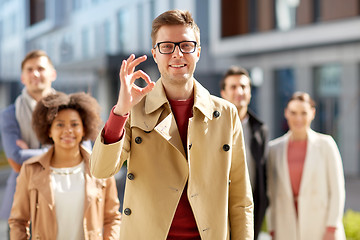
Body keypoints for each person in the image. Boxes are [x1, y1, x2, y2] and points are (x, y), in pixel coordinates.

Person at [90, 9, 253, 240]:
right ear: (155, 54)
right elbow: (100, 170)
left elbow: (240, 197)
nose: (177, 54)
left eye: (186, 45)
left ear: (198, 52)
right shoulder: (134, 109)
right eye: (167, 46)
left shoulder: (225, 113)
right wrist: (121, 110)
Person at [8, 92, 121, 239]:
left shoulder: (101, 168)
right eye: (60, 124)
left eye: (74, 124)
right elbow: (18, 221)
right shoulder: (30, 169)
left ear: (84, 129)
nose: (68, 130)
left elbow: (112, 218)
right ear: (49, 130)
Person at [267, 92, 346, 240]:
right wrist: (272, 228)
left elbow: (337, 190)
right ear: (286, 113)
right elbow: (271, 193)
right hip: (286, 227)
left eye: (304, 113)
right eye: (293, 113)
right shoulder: (274, 149)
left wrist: (332, 227)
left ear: (313, 113)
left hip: (322, 226)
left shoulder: (326, 144)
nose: (298, 118)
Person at [0, 50, 57, 228]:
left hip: (61, 197)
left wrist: (29, 154)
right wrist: (62, 152)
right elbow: (16, 160)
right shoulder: (10, 114)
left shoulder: (69, 110)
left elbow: (84, 152)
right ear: (22, 78)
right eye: (29, 69)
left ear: (53, 74)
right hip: (20, 202)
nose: (35, 73)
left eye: (40, 68)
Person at [220, 66, 268, 239]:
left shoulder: (260, 130)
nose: (239, 91)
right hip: (218, 213)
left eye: (244, 86)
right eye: (233, 87)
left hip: (249, 214)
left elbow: (262, 176)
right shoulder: (210, 127)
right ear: (223, 93)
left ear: (250, 92)